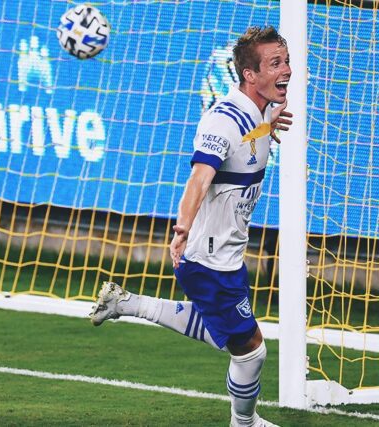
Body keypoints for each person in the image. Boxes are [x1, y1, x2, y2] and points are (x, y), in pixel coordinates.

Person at [89, 26, 293, 427]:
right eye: (275, 63)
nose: (286, 69)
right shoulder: (223, 121)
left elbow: (249, 139)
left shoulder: (257, 113)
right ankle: (244, 423)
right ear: (250, 75)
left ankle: (126, 303)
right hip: (207, 257)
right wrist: (181, 229)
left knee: (226, 331)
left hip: (227, 253)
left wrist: (268, 124)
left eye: (286, 61)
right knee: (250, 350)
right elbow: (199, 177)